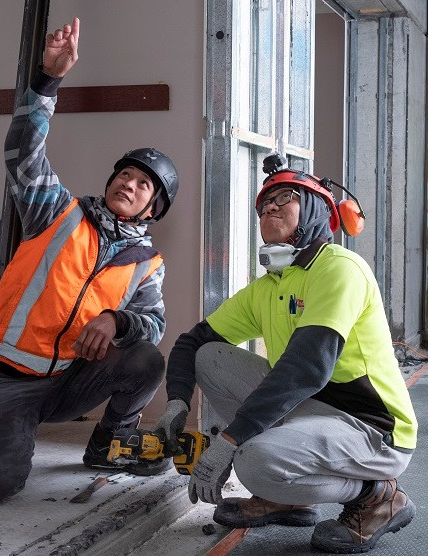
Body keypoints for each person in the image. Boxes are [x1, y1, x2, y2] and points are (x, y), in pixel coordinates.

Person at [154, 154, 417, 554]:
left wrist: (230, 438)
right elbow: (192, 342)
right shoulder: (271, 285)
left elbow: (307, 367)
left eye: (285, 197)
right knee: (210, 355)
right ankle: (289, 496)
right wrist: (176, 401)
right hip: (317, 409)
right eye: (263, 204)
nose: (269, 207)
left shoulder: (339, 268)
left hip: (372, 428)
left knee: (254, 459)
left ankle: (377, 495)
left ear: (314, 209)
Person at [0, 17, 179, 504]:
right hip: (9, 376)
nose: (128, 183)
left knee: (145, 360)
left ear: (154, 209)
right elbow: (23, 155)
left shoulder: (147, 262)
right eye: (124, 174)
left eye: (143, 184)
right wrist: (47, 81)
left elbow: (153, 324)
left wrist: (115, 318)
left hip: (72, 380)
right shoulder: (56, 212)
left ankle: (110, 444)